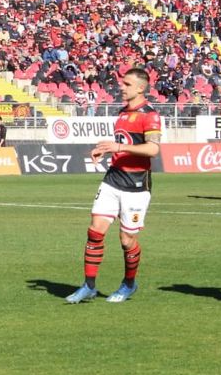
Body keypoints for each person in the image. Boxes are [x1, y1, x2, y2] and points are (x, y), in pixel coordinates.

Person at [65, 68, 161, 304]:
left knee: (126, 240)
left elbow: (152, 149)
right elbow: (121, 144)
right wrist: (104, 149)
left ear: (140, 88)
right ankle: (89, 285)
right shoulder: (121, 113)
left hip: (136, 184)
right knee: (95, 231)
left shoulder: (150, 115)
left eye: (127, 84)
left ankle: (129, 284)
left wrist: (117, 148)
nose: (121, 87)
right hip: (113, 178)